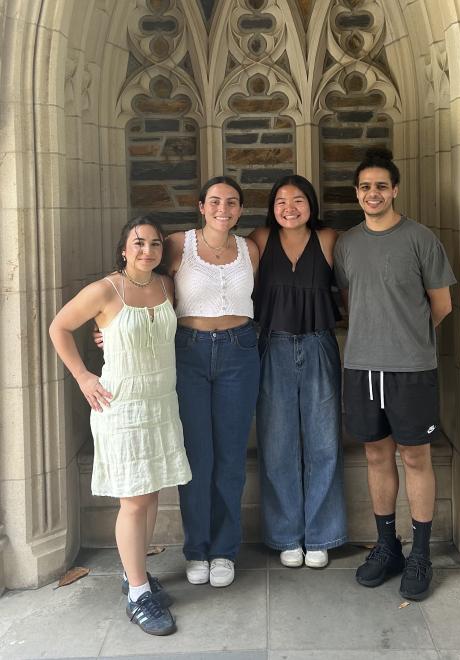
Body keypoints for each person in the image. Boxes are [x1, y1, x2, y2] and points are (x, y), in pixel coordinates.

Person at [49, 217, 191, 636]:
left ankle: (138, 575)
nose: (147, 250)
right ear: (124, 250)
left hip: (161, 400)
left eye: (155, 244)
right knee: (133, 500)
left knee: (149, 495)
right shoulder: (104, 290)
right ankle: (136, 594)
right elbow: (59, 326)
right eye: (139, 244)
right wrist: (83, 376)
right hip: (122, 403)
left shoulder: (166, 286)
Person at [334, 147, 456, 600]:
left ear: (395, 190)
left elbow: (440, 305)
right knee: (376, 457)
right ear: (357, 193)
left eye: (381, 186)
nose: (372, 193)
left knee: (415, 457)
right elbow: (350, 301)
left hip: (411, 369)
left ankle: (421, 553)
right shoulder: (346, 244)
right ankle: (388, 547)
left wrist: (405, 339)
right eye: (365, 187)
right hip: (361, 367)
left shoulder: (421, 238)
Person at [165, 175, 260, 588]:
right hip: (189, 351)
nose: (225, 209)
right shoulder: (177, 244)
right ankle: (196, 548)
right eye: (216, 201)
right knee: (196, 457)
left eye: (233, 202)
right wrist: (110, 325)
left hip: (240, 350)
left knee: (231, 457)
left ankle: (224, 550)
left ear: (240, 209)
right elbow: (140, 280)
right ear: (201, 206)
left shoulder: (249, 249)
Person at [250, 174, 347, 569]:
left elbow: (355, 287)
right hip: (271, 345)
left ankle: (321, 535)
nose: (289, 208)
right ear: (272, 207)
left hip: (319, 344)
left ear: (312, 204)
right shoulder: (258, 239)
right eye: (281, 201)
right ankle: (286, 535)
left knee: (324, 443)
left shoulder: (329, 239)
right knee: (277, 444)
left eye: (298, 200)